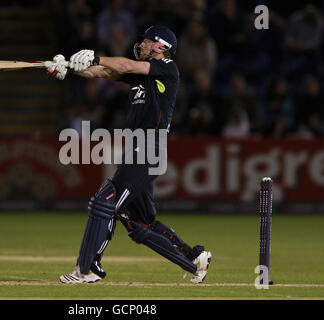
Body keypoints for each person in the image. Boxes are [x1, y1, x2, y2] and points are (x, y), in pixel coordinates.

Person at [46, 25, 212, 284]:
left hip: (149, 148)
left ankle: (87, 269)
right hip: (137, 148)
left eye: (147, 42)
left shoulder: (167, 67)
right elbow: (102, 72)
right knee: (140, 224)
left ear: (161, 47)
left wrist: (97, 56)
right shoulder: (143, 75)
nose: (142, 45)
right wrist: (68, 67)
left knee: (106, 201)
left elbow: (123, 64)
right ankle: (194, 258)